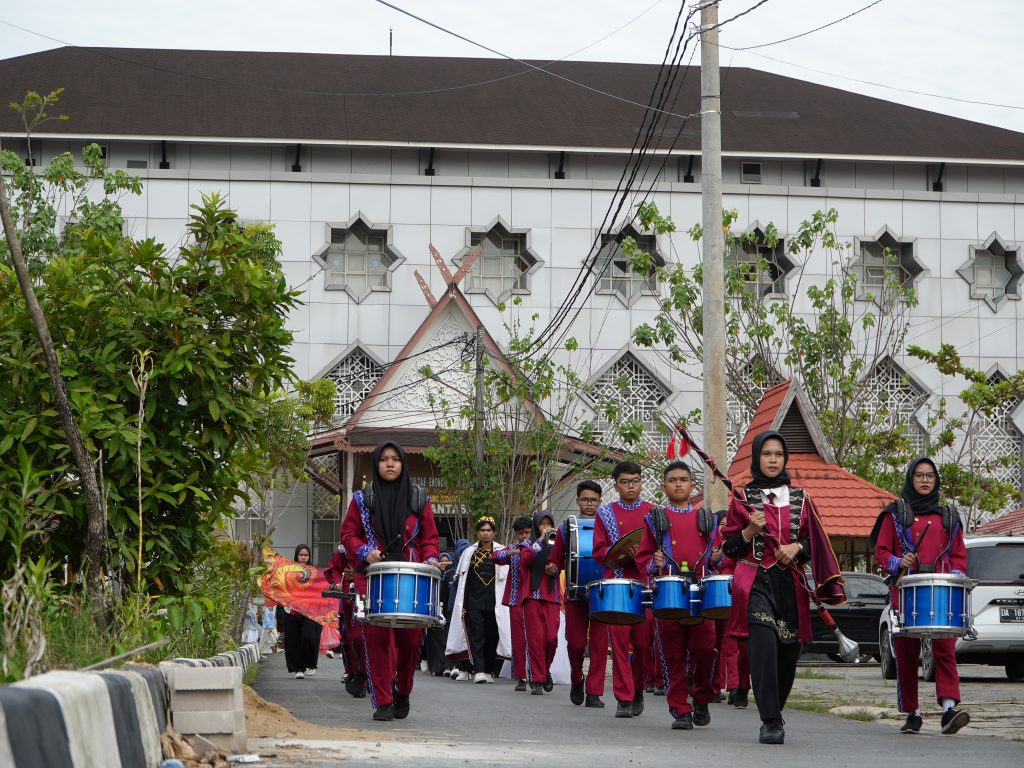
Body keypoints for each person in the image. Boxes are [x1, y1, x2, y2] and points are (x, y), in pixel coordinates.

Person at [721, 430, 845, 745]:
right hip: (754, 583)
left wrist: (797, 548)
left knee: (788, 655)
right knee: (762, 648)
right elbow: (730, 549)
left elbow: (814, 541)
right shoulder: (740, 499)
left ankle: (776, 709)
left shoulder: (802, 499)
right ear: (756, 458)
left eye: (778, 454)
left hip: (790, 584)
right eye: (767, 454)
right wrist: (749, 531)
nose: (773, 459)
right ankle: (770, 721)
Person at [340, 441, 442, 721]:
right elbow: (348, 535)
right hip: (371, 576)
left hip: (410, 578)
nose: (389, 464)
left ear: (402, 463)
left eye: (395, 459)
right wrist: (364, 551)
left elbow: (430, 540)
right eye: (383, 459)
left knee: (410, 641)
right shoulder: (363, 500)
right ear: (376, 464)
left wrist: (432, 559)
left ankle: (403, 690)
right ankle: (383, 701)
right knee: (376, 638)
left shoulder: (419, 499)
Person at [870, 457, 971, 735]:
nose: (925, 480)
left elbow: (959, 557)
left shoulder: (949, 516)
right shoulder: (895, 514)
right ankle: (912, 713)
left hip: (941, 591)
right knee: (905, 651)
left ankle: (949, 709)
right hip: (906, 590)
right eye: (919, 475)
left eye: (930, 476)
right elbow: (880, 553)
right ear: (910, 479)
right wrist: (898, 562)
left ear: (936, 480)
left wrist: (957, 576)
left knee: (945, 649)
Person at [634, 461, 716, 730]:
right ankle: (681, 710)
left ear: (693, 485)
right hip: (668, 595)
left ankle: (702, 697)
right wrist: (653, 562)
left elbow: (718, 559)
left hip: (701, 595)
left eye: (684, 479)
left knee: (705, 649)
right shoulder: (655, 519)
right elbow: (642, 558)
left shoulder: (707, 518)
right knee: (673, 655)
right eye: (672, 480)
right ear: (663, 486)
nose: (678, 483)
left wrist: (718, 557)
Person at [592, 460, 656, 718]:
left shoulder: (654, 513)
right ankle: (624, 698)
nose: (631, 486)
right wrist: (618, 552)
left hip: (645, 586)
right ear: (616, 485)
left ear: (641, 482)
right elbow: (598, 552)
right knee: (618, 643)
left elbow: (662, 549)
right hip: (617, 586)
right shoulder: (604, 514)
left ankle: (638, 688)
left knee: (643, 644)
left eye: (636, 481)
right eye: (625, 482)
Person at [547, 481, 608, 708]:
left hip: (602, 593)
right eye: (585, 499)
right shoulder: (567, 527)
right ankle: (576, 678)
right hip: (574, 593)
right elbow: (555, 557)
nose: (589, 503)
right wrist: (552, 566)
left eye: (593, 500)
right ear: (577, 501)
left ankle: (594, 692)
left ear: (600, 502)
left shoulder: (608, 527)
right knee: (575, 642)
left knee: (600, 644)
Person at [446, 518, 511, 683]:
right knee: (477, 635)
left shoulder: (502, 551)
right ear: (478, 532)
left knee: (492, 635)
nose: (485, 533)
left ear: (493, 532)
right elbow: (463, 580)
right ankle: (479, 670)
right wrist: (463, 603)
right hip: (474, 601)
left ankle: (488, 670)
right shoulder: (469, 553)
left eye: (489, 530)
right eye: (482, 530)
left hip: (494, 602)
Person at [518, 512, 562, 695]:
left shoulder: (559, 543)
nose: (545, 527)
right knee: (535, 640)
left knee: (551, 639)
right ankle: (537, 679)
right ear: (536, 527)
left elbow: (565, 564)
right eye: (542, 524)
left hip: (551, 596)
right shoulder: (529, 544)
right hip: (533, 596)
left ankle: (545, 670)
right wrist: (540, 542)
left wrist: (555, 568)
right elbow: (525, 560)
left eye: (548, 524)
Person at [709, 512, 749, 708]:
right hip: (712, 597)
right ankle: (714, 687)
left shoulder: (737, 543)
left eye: (728, 524)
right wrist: (713, 560)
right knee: (712, 644)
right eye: (721, 524)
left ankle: (734, 686)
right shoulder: (710, 542)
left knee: (732, 643)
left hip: (733, 595)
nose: (724, 527)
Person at [493, 516, 533, 691]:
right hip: (516, 600)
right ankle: (520, 677)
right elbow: (495, 556)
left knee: (536, 639)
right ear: (516, 534)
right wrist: (509, 553)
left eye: (527, 532)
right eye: (520, 533)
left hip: (534, 599)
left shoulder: (537, 547)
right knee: (518, 640)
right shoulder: (513, 549)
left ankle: (537, 673)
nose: (524, 536)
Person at [323, 543, 367, 697]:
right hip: (353, 599)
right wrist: (338, 582)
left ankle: (380, 678)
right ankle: (357, 673)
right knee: (353, 639)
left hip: (379, 595)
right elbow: (335, 568)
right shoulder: (348, 547)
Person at [282, 544, 325, 680]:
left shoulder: (314, 572)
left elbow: (320, 588)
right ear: (296, 555)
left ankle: (310, 664)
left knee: (310, 636)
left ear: (309, 556)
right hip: (292, 610)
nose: (303, 557)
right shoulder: (288, 571)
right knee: (293, 640)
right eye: (301, 555)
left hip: (309, 611)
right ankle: (297, 669)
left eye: (306, 555)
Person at [424, 551, 455, 676]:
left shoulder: (451, 575)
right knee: (434, 639)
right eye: (442, 561)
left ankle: (446, 665)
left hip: (445, 610)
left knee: (444, 639)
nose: (444, 564)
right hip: (432, 609)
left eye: (447, 561)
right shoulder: (433, 574)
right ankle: (436, 667)